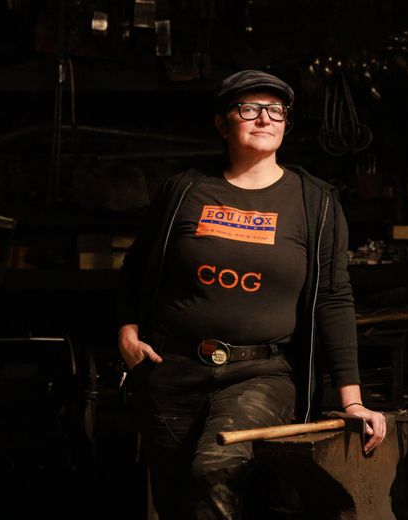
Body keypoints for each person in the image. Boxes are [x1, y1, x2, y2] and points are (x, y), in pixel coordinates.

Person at [115, 69, 386, 519]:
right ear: (223, 123)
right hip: (171, 372)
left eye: (275, 110)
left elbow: (334, 299)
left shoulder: (314, 202)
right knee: (178, 500)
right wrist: (126, 331)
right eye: (249, 109)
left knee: (213, 472)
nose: (264, 118)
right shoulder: (184, 190)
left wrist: (351, 400)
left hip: (260, 374)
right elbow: (137, 267)